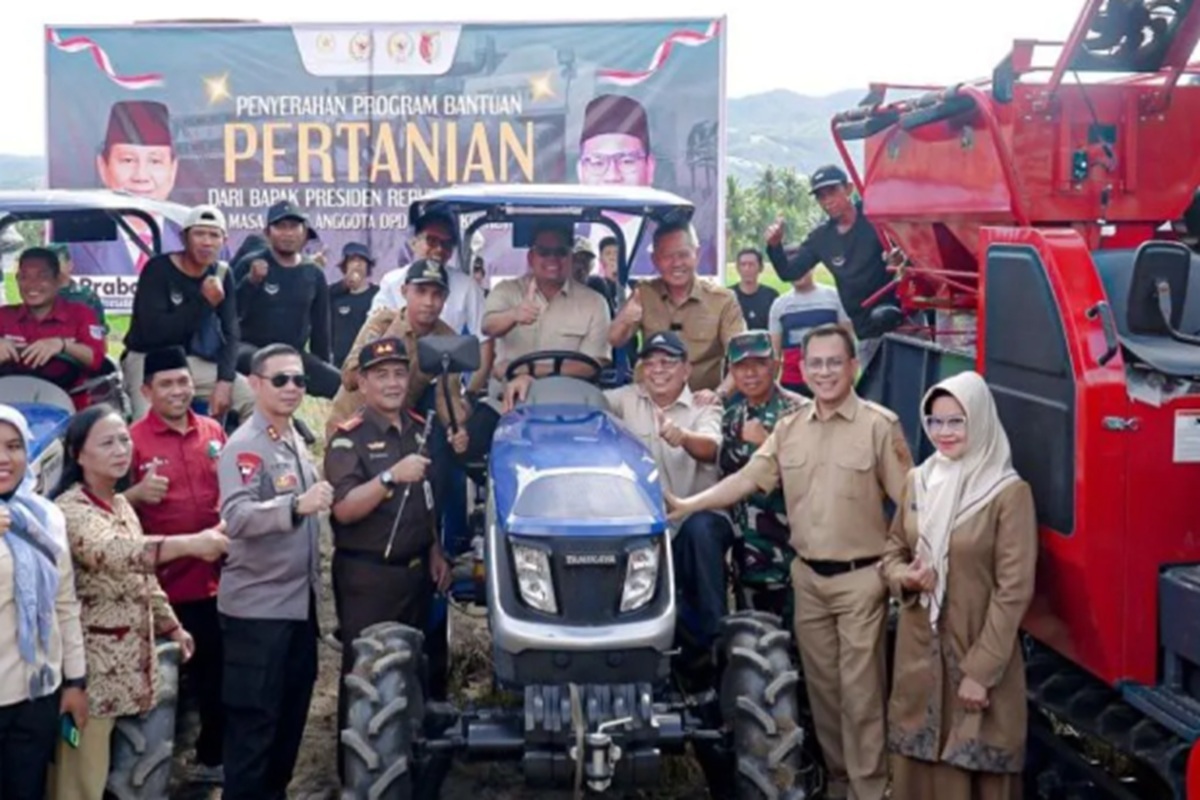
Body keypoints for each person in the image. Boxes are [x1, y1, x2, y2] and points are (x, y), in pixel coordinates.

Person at [665, 324, 912, 800]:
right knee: (820, 695)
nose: (824, 372)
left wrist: (905, 564)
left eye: (834, 363)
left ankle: (870, 789)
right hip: (807, 579)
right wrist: (689, 505)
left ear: (852, 367)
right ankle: (839, 785)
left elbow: (911, 501)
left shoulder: (879, 425)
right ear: (804, 367)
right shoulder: (790, 429)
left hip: (860, 579)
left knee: (860, 696)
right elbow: (746, 479)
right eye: (816, 363)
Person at [49, 404, 226, 800]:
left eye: (124, 440)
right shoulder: (70, 510)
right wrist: (190, 544)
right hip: (92, 675)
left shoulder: (121, 504)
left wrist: (173, 626)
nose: (120, 450)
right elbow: (113, 552)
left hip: (133, 670)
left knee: (128, 778)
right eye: (107, 443)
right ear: (78, 455)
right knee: (80, 784)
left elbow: (144, 578)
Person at [880, 371, 1036, 800]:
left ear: (981, 420)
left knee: (972, 772)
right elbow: (892, 551)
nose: (943, 433)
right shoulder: (919, 482)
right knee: (922, 772)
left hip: (976, 662)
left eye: (956, 421)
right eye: (935, 421)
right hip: (919, 661)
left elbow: (1014, 590)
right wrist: (904, 577)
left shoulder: (1007, 493)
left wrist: (981, 674)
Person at [323, 337, 455, 777]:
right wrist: (389, 476)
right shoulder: (348, 439)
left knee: (413, 674)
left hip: (417, 573)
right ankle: (355, 776)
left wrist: (435, 549)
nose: (393, 382)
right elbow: (343, 508)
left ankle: (410, 769)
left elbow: (427, 498)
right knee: (366, 679)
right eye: (381, 375)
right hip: (369, 578)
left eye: (400, 373)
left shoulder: (419, 428)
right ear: (362, 382)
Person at [216, 344, 333, 800]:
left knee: (288, 725)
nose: (292, 389)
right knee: (253, 733)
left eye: (299, 380)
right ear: (256, 384)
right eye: (280, 379)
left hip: (297, 609)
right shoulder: (246, 445)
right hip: (257, 614)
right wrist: (295, 506)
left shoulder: (293, 437)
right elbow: (237, 517)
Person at [125, 347, 231, 785]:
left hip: (217, 582)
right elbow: (103, 510)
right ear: (147, 391)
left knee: (217, 675)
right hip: (161, 587)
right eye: (166, 384)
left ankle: (211, 758)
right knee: (160, 680)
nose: (177, 391)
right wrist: (136, 495)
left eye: (183, 382)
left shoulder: (213, 431)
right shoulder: (129, 440)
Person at [601, 330, 731, 681]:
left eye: (668, 362)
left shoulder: (704, 406)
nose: (658, 370)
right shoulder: (625, 400)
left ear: (687, 370)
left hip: (693, 520)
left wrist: (682, 437)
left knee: (702, 530)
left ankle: (713, 656)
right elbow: (585, 401)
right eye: (650, 362)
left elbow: (711, 446)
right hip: (641, 527)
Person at [0, 405, 87, 800]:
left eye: (14, 446)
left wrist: (74, 680)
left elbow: (65, 604)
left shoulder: (46, 516)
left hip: (37, 691)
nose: (5, 458)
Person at [122, 205, 255, 422]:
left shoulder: (221, 273)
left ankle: (245, 454)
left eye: (214, 235)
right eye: (199, 234)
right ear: (184, 238)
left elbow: (232, 332)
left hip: (191, 361)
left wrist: (225, 380)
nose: (206, 242)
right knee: (145, 421)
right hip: (148, 358)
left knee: (251, 397)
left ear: (224, 240)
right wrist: (203, 302)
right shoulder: (158, 269)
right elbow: (153, 334)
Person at [766, 165, 900, 366]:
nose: (827, 201)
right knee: (875, 392)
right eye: (821, 196)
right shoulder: (821, 238)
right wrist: (775, 246)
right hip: (867, 329)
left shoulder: (875, 215)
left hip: (902, 319)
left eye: (832, 192)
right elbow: (788, 272)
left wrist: (899, 257)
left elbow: (911, 245)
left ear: (848, 189)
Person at [718, 330, 808, 616]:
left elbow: (814, 475)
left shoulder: (800, 412)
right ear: (731, 371)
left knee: (802, 643)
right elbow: (727, 475)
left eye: (759, 363)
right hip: (749, 554)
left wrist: (767, 442)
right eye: (741, 366)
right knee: (752, 636)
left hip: (794, 551)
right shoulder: (732, 418)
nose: (750, 373)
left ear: (775, 364)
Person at [482, 219, 613, 412]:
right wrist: (514, 315)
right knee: (477, 431)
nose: (552, 259)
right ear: (531, 257)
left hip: (572, 401)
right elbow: (487, 326)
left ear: (571, 257)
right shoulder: (507, 291)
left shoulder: (595, 302)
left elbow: (591, 365)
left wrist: (528, 372)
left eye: (561, 252)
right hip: (507, 399)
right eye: (544, 252)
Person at [608, 221, 745, 400]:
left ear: (697, 254)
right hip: (647, 401)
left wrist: (718, 395)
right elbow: (615, 340)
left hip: (699, 404)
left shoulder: (723, 300)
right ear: (655, 260)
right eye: (667, 256)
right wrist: (626, 318)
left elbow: (742, 357)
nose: (677, 263)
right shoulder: (644, 293)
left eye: (683, 254)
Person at [233, 201, 340, 399]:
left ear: (304, 232)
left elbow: (321, 330)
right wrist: (251, 282)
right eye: (280, 227)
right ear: (267, 232)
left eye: (293, 227)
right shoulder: (250, 264)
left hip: (293, 355)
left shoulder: (313, 273)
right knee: (273, 367)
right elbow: (231, 313)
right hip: (249, 351)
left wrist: (324, 367)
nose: (288, 233)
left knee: (343, 387)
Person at [69, 101, 184, 277]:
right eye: (128, 160)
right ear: (103, 166)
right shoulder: (76, 245)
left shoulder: (192, 242)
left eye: (155, 161)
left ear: (173, 170)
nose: (141, 176)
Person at [0, 247, 106, 409]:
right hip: (8, 404)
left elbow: (96, 360)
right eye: (24, 277)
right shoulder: (4, 315)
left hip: (69, 404)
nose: (32, 285)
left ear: (58, 280)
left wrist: (63, 345)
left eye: (42, 277)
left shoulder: (81, 314)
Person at [768, 268, 851, 397]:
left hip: (829, 379)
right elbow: (775, 352)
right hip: (793, 382)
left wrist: (849, 378)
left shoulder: (834, 297)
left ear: (811, 267)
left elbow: (848, 342)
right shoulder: (779, 305)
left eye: (800, 268)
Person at [329, 242, 379, 368]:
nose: (357, 264)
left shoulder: (378, 294)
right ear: (344, 265)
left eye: (362, 260)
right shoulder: (334, 295)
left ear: (368, 266)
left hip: (370, 361)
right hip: (340, 364)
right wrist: (344, 285)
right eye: (352, 260)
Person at [730, 248, 777, 330]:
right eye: (743, 264)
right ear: (738, 268)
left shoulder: (771, 296)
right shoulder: (728, 296)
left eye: (751, 264)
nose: (747, 269)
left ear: (760, 268)